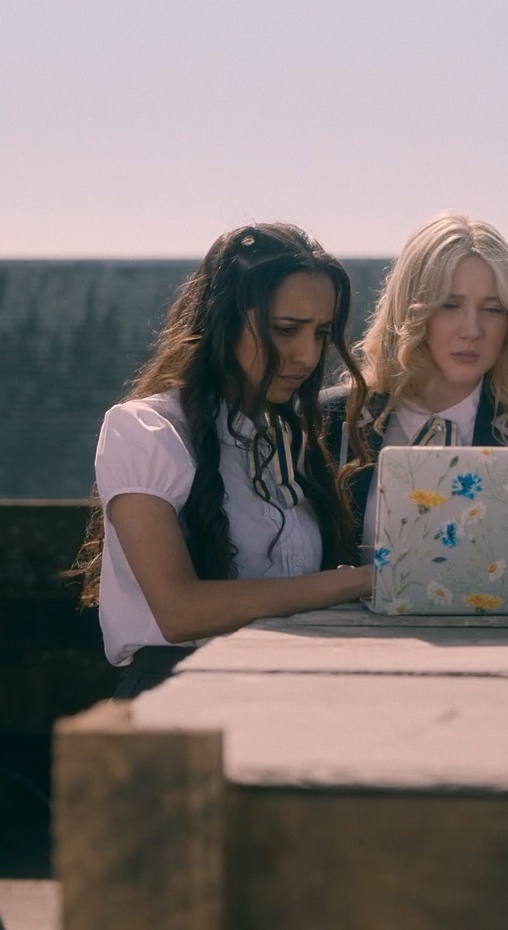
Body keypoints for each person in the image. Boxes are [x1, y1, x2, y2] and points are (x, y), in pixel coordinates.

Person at [70, 223, 374, 699]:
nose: (308, 355)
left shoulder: (290, 442)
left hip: (287, 694)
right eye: (286, 330)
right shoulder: (145, 432)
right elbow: (180, 612)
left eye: (321, 333)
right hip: (178, 702)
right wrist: (348, 584)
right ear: (224, 321)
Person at [322, 212, 508, 558]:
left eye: (492, 309)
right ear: (410, 311)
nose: (472, 330)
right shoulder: (331, 419)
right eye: (450, 306)